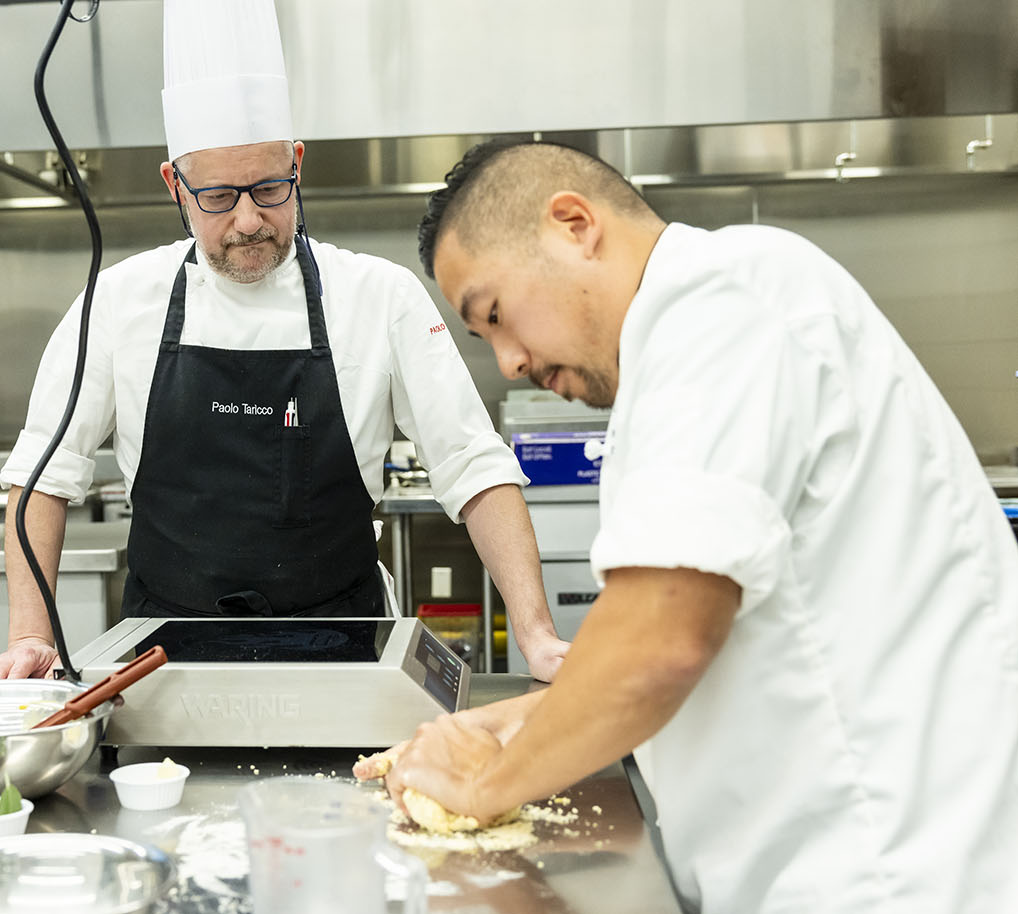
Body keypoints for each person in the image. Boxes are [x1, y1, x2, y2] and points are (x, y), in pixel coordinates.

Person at [362, 140, 1018, 914]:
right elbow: (703, 651)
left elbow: (660, 644)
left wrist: (481, 784)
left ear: (574, 224)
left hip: (892, 875)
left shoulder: (719, 300)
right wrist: (499, 725)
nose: (507, 362)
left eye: (497, 315)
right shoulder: (689, 335)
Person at [0, 0, 568, 681]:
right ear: (176, 185)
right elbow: (42, 479)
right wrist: (29, 633)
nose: (251, 220)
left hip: (346, 653)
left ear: (298, 164)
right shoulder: (118, 302)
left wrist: (537, 632)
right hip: (162, 663)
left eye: (269, 187)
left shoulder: (379, 295)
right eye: (220, 197)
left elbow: (474, 466)